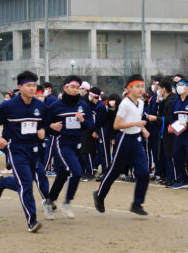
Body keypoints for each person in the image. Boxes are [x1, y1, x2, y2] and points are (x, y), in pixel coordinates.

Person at [0, 71, 48, 232]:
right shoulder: (8, 106)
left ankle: (3, 182)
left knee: (27, 181)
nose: (31, 88)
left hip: (34, 148)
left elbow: (46, 120)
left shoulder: (40, 106)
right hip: (15, 148)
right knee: (26, 184)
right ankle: (32, 221)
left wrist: (43, 129)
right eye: (28, 85)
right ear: (20, 87)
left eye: (33, 85)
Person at [93, 74, 150, 216]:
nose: (140, 89)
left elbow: (137, 119)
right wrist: (136, 124)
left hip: (136, 140)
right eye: (137, 86)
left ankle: (137, 204)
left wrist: (143, 129)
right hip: (124, 139)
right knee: (114, 171)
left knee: (144, 173)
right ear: (129, 88)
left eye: (142, 86)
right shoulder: (124, 104)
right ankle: (99, 195)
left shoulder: (141, 103)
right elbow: (116, 125)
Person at [45, 75, 95, 219]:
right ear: (64, 88)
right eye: (72, 87)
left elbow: (91, 126)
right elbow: (43, 123)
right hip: (62, 143)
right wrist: (51, 126)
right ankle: (67, 202)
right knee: (76, 172)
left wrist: (83, 120)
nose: (75, 90)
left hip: (77, 143)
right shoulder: (56, 106)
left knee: (63, 173)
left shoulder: (83, 105)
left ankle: (48, 201)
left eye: (77, 88)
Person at [147, 79, 176, 187]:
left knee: (169, 155)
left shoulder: (171, 101)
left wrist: (156, 118)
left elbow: (169, 119)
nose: (157, 90)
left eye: (159, 88)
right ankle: (166, 176)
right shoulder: (163, 101)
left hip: (170, 133)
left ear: (164, 89)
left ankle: (172, 178)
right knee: (163, 155)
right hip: (162, 132)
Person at [170, 78, 188, 188]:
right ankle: (182, 179)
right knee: (176, 155)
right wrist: (173, 125)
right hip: (179, 134)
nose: (178, 86)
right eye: (178, 84)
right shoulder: (176, 101)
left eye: (181, 84)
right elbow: (173, 116)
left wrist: (186, 124)